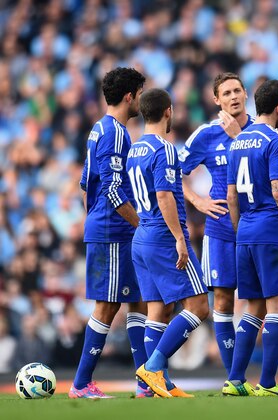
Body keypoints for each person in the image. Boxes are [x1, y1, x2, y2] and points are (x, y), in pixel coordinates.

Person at [224, 79, 278, 396]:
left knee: (252, 308)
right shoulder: (273, 140)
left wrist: (239, 230)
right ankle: (269, 383)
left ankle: (234, 380)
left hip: (244, 230)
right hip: (271, 228)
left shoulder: (238, 142)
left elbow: (231, 196)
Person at [71, 67, 149, 399]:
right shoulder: (117, 134)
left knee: (138, 301)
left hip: (107, 227)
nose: (142, 101)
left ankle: (146, 381)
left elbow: (84, 184)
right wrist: (142, 225)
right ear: (130, 96)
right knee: (107, 306)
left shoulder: (98, 130)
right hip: (113, 230)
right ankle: (80, 383)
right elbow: (115, 192)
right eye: (141, 94)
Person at [128, 88, 209, 398]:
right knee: (199, 305)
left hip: (142, 237)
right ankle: (154, 367)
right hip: (163, 236)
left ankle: (149, 385)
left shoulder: (135, 149)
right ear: (168, 111)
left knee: (158, 311)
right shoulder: (165, 149)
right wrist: (179, 237)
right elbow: (164, 195)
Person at [178, 73, 254, 376]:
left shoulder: (264, 130)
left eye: (237, 90)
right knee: (222, 300)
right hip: (221, 229)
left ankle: (271, 375)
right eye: (226, 93)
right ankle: (235, 377)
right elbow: (173, 172)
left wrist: (239, 137)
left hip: (258, 227)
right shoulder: (206, 135)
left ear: (246, 94)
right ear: (216, 100)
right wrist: (197, 201)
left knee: (265, 302)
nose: (233, 96)